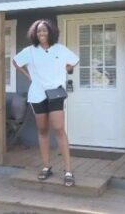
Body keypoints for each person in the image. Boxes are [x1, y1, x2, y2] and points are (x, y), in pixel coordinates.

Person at [13, 19, 79, 187]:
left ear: (51, 32)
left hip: (55, 92)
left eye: (45, 31)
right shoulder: (30, 51)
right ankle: (46, 166)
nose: (42, 34)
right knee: (42, 130)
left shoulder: (60, 49)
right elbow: (15, 62)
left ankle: (68, 170)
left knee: (58, 129)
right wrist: (29, 77)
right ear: (34, 34)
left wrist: (66, 69)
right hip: (37, 95)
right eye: (39, 31)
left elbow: (74, 61)